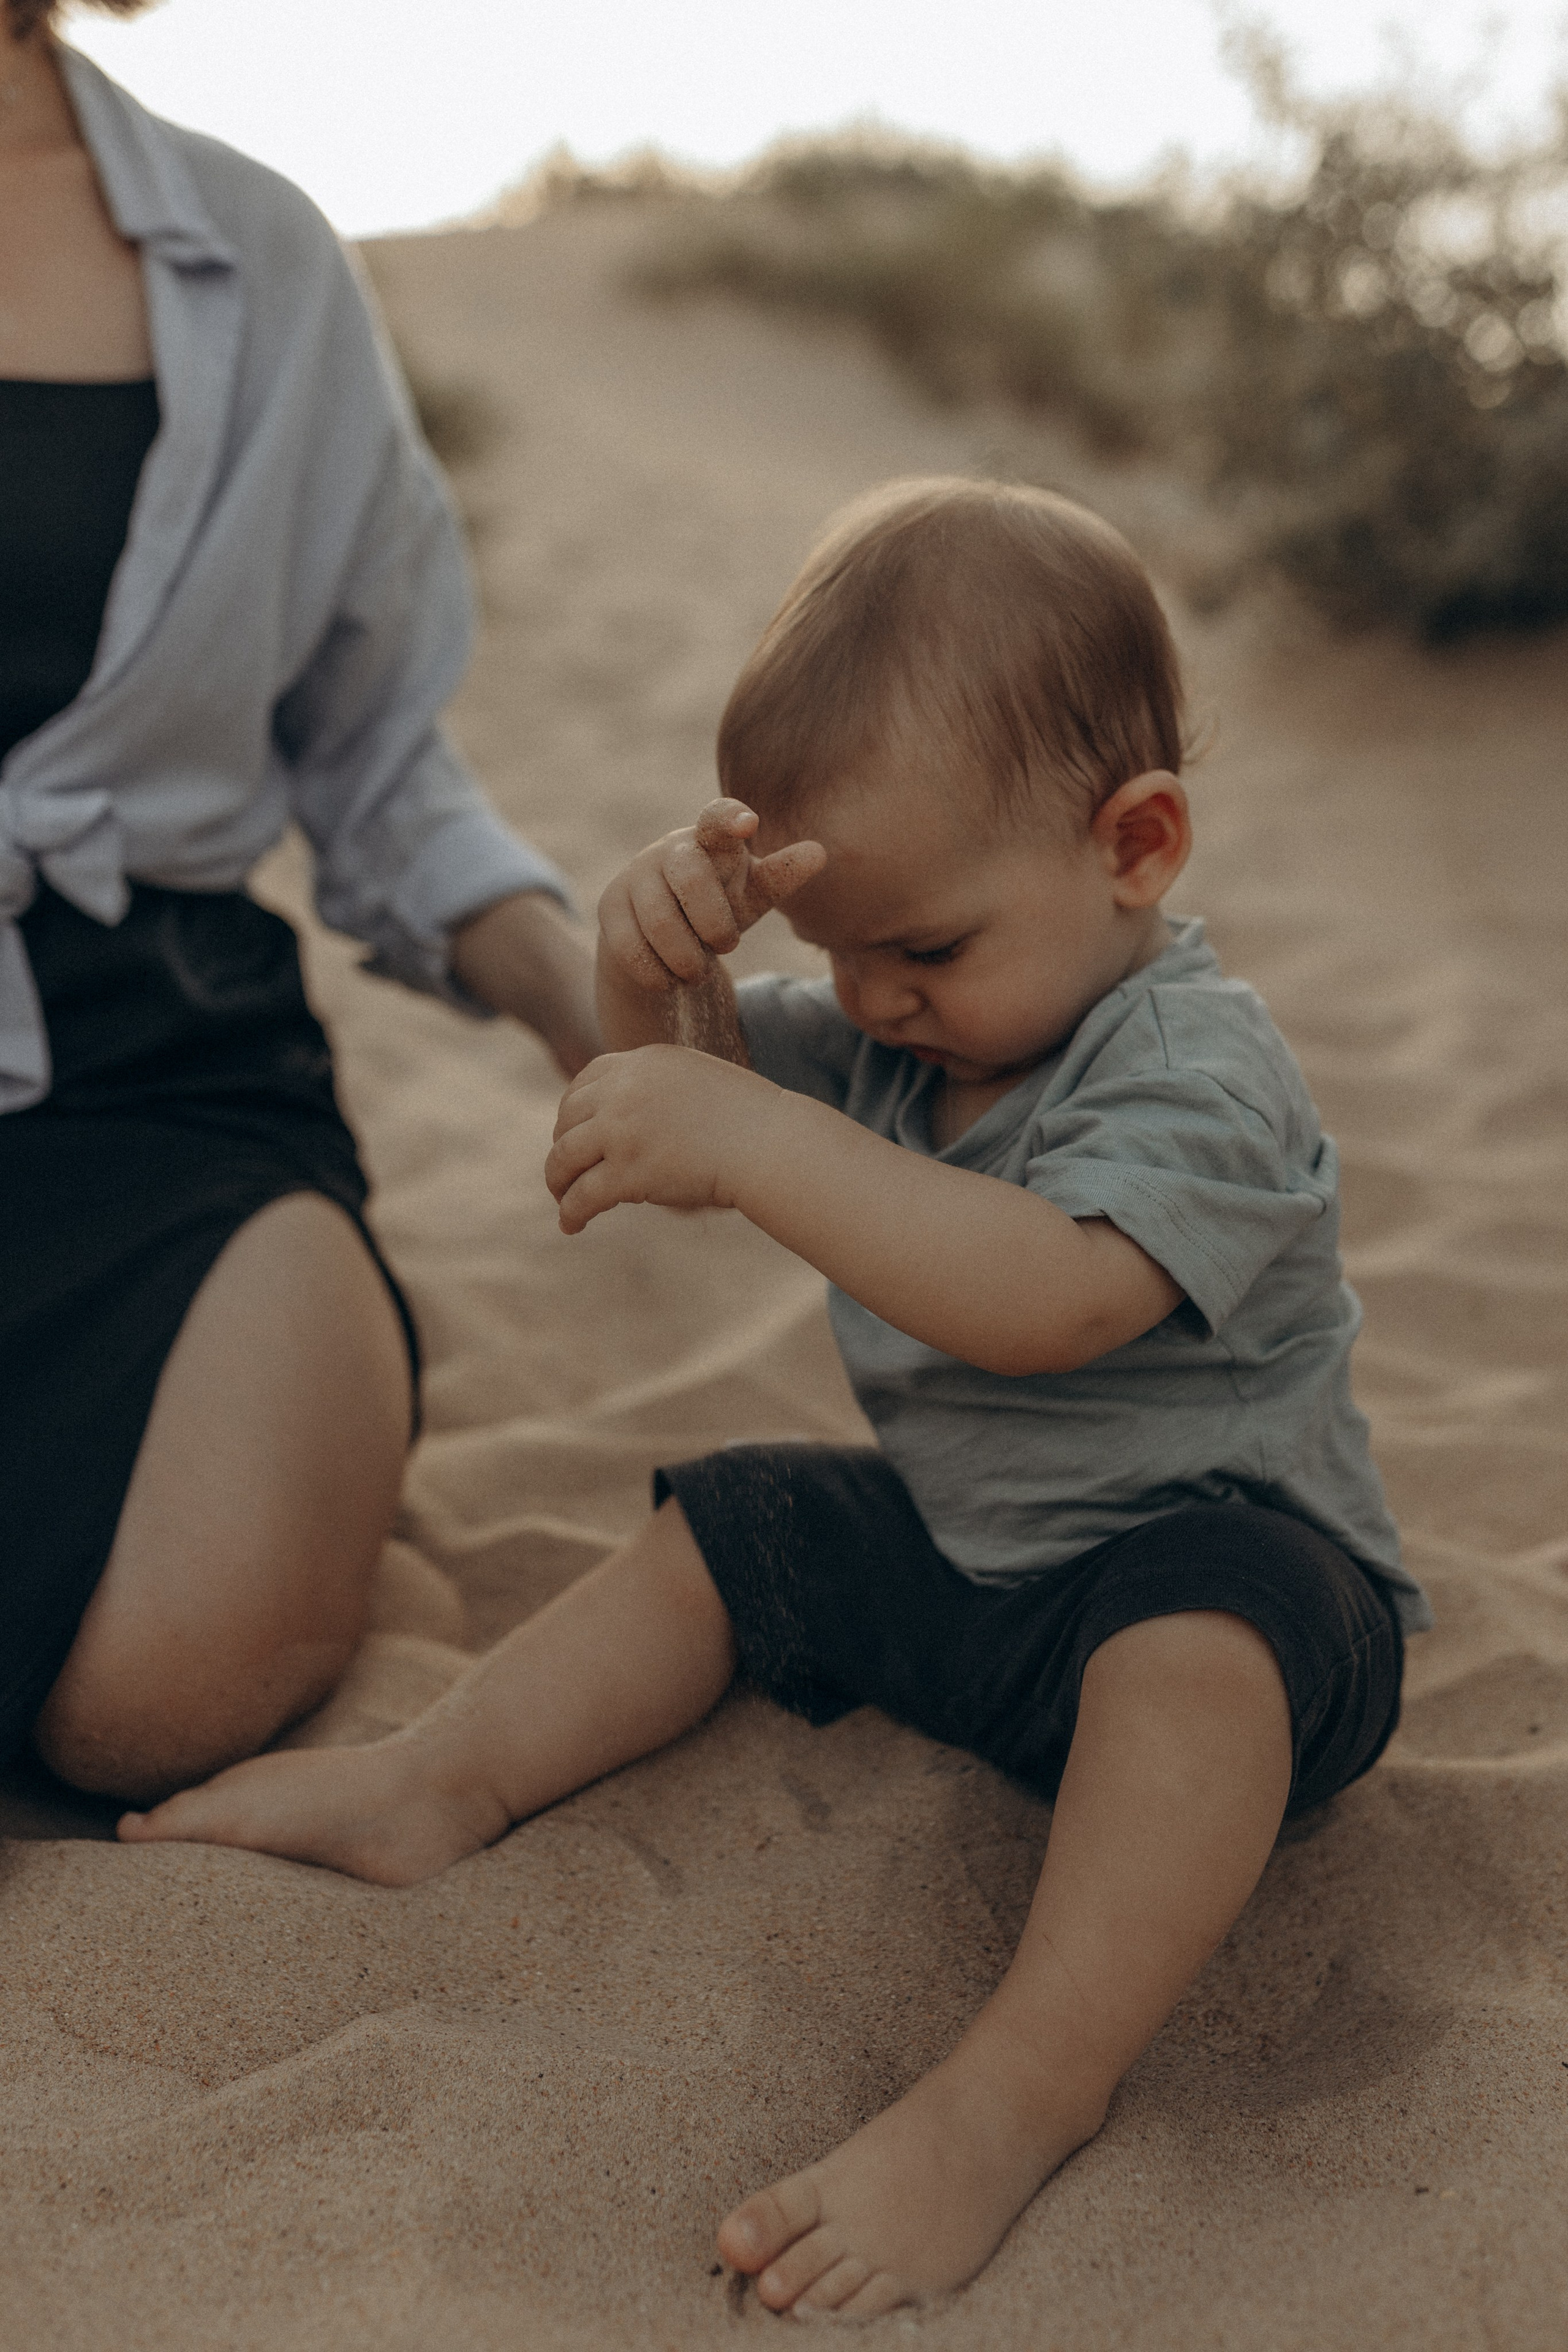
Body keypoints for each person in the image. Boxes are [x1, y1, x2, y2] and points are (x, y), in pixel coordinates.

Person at [121, 479, 1431, 2316]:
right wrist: (650, 975)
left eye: (931, 948)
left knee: (1198, 1643)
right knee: (735, 1524)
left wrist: (752, 1136)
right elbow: (681, 1083)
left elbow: (1045, 1298)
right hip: (985, 1575)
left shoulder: (1200, 1066)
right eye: (841, 953)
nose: (876, 1000)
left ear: (1135, 845)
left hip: (1251, 1600)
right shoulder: (909, 1029)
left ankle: (1018, 2097)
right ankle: (440, 1782)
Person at [0, 2, 598, 1799]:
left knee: (146, 1705)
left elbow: (375, 760)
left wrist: (589, 1013)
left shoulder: (259, 259)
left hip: (171, 1079)